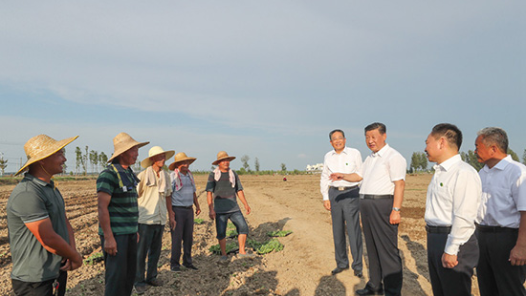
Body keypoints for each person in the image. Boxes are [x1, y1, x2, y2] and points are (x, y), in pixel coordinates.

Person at [7, 134, 83, 296]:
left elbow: (64, 222)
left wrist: (70, 251)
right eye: (59, 154)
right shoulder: (28, 193)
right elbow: (48, 238)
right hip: (35, 279)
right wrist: (75, 256)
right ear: (43, 160)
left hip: (56, 270)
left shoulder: (51, 188)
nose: (64, 159)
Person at [424, 123, 481, 296]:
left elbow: (464, 215)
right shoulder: (440, 172)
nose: (425, 148)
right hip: (435, 238)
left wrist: (451, 248)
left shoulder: (463, 173)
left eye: (427, 143)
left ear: (441, 142)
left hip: (454, 241)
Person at [355, 122, 406, 296]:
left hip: (383, 205)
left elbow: (399, 184)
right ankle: (374, 285)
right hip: (367, 205)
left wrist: (396, 210)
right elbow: (359, 176)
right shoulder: (370, 158)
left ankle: (392, 291)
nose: (370, 140)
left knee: (387, 251)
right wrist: (341, 176)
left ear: (384, 136)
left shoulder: (393, 156)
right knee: (372, 248)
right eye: (367, 137)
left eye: (374, 137)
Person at [474, 127, 526, 296]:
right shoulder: (481, 174)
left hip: (507, 239)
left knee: (510, 289)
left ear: (493, 148)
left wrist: (521, 246)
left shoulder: (517, 172)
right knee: (487, 288)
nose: (475, 151)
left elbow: (525, 211)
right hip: (482, 237)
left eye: (477, 147)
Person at [97, 132, 149, 296]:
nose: (137, 153)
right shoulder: (108, 175)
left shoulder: (129, 173)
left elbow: (131, 205)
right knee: (116, 279)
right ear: (123, 153)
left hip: (130, 233)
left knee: (128, 276)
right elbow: (102, 208)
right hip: (116, 236)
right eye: (134, 150)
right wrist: (109, 237)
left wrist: (134, 230)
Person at [320, 129, 363, 277]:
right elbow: (324, 177)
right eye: (334, 139)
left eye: (340, 138)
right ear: (331, 142)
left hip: (351, 193)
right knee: (337, 230)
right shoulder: (328, 156)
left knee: (353, 230)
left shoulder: (354, 153)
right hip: (334, 194)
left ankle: (357, 266)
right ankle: (341, 263)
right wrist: (326, 197)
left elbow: (361, 175)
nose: (338, 141)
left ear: (345, 140)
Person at [134, 146, 174, 294]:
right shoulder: (143, 176)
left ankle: (151, 277)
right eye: (160, 157)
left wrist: (171, 215)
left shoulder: (166, 176)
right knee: (141, 252)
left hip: (160, 218)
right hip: (145, 219)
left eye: (164, 156)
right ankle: (138, 281)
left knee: (155, 252)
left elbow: (168, 196)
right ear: (152, 160)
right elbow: (135, 196)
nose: (162, 159)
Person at [206, 151, 254, 262]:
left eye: (227, 160)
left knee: (243, 227)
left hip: (234, 209)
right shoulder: (213, 175)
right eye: (223, 160)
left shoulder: (233, 174)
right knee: (221, 233)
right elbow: (209, 192)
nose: (226, 162)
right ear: (219, 163)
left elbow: (239, 190)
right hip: (220, 210)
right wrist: (211, 209)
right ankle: (224, 254)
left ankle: (242, 251)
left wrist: (246, 204)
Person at [168, 152, 201, 271]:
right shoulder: (173, 176)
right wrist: (170, 212)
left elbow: (193, 193)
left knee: (188, 237)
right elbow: (169, 195)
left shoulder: (189, 176)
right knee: (177, 238)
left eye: (187, 162)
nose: (186, 165)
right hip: (177, 210)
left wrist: (197, 206)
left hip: (188, 210)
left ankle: (187, 261)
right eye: (183, 163)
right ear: (177, 165)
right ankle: (174, 263)